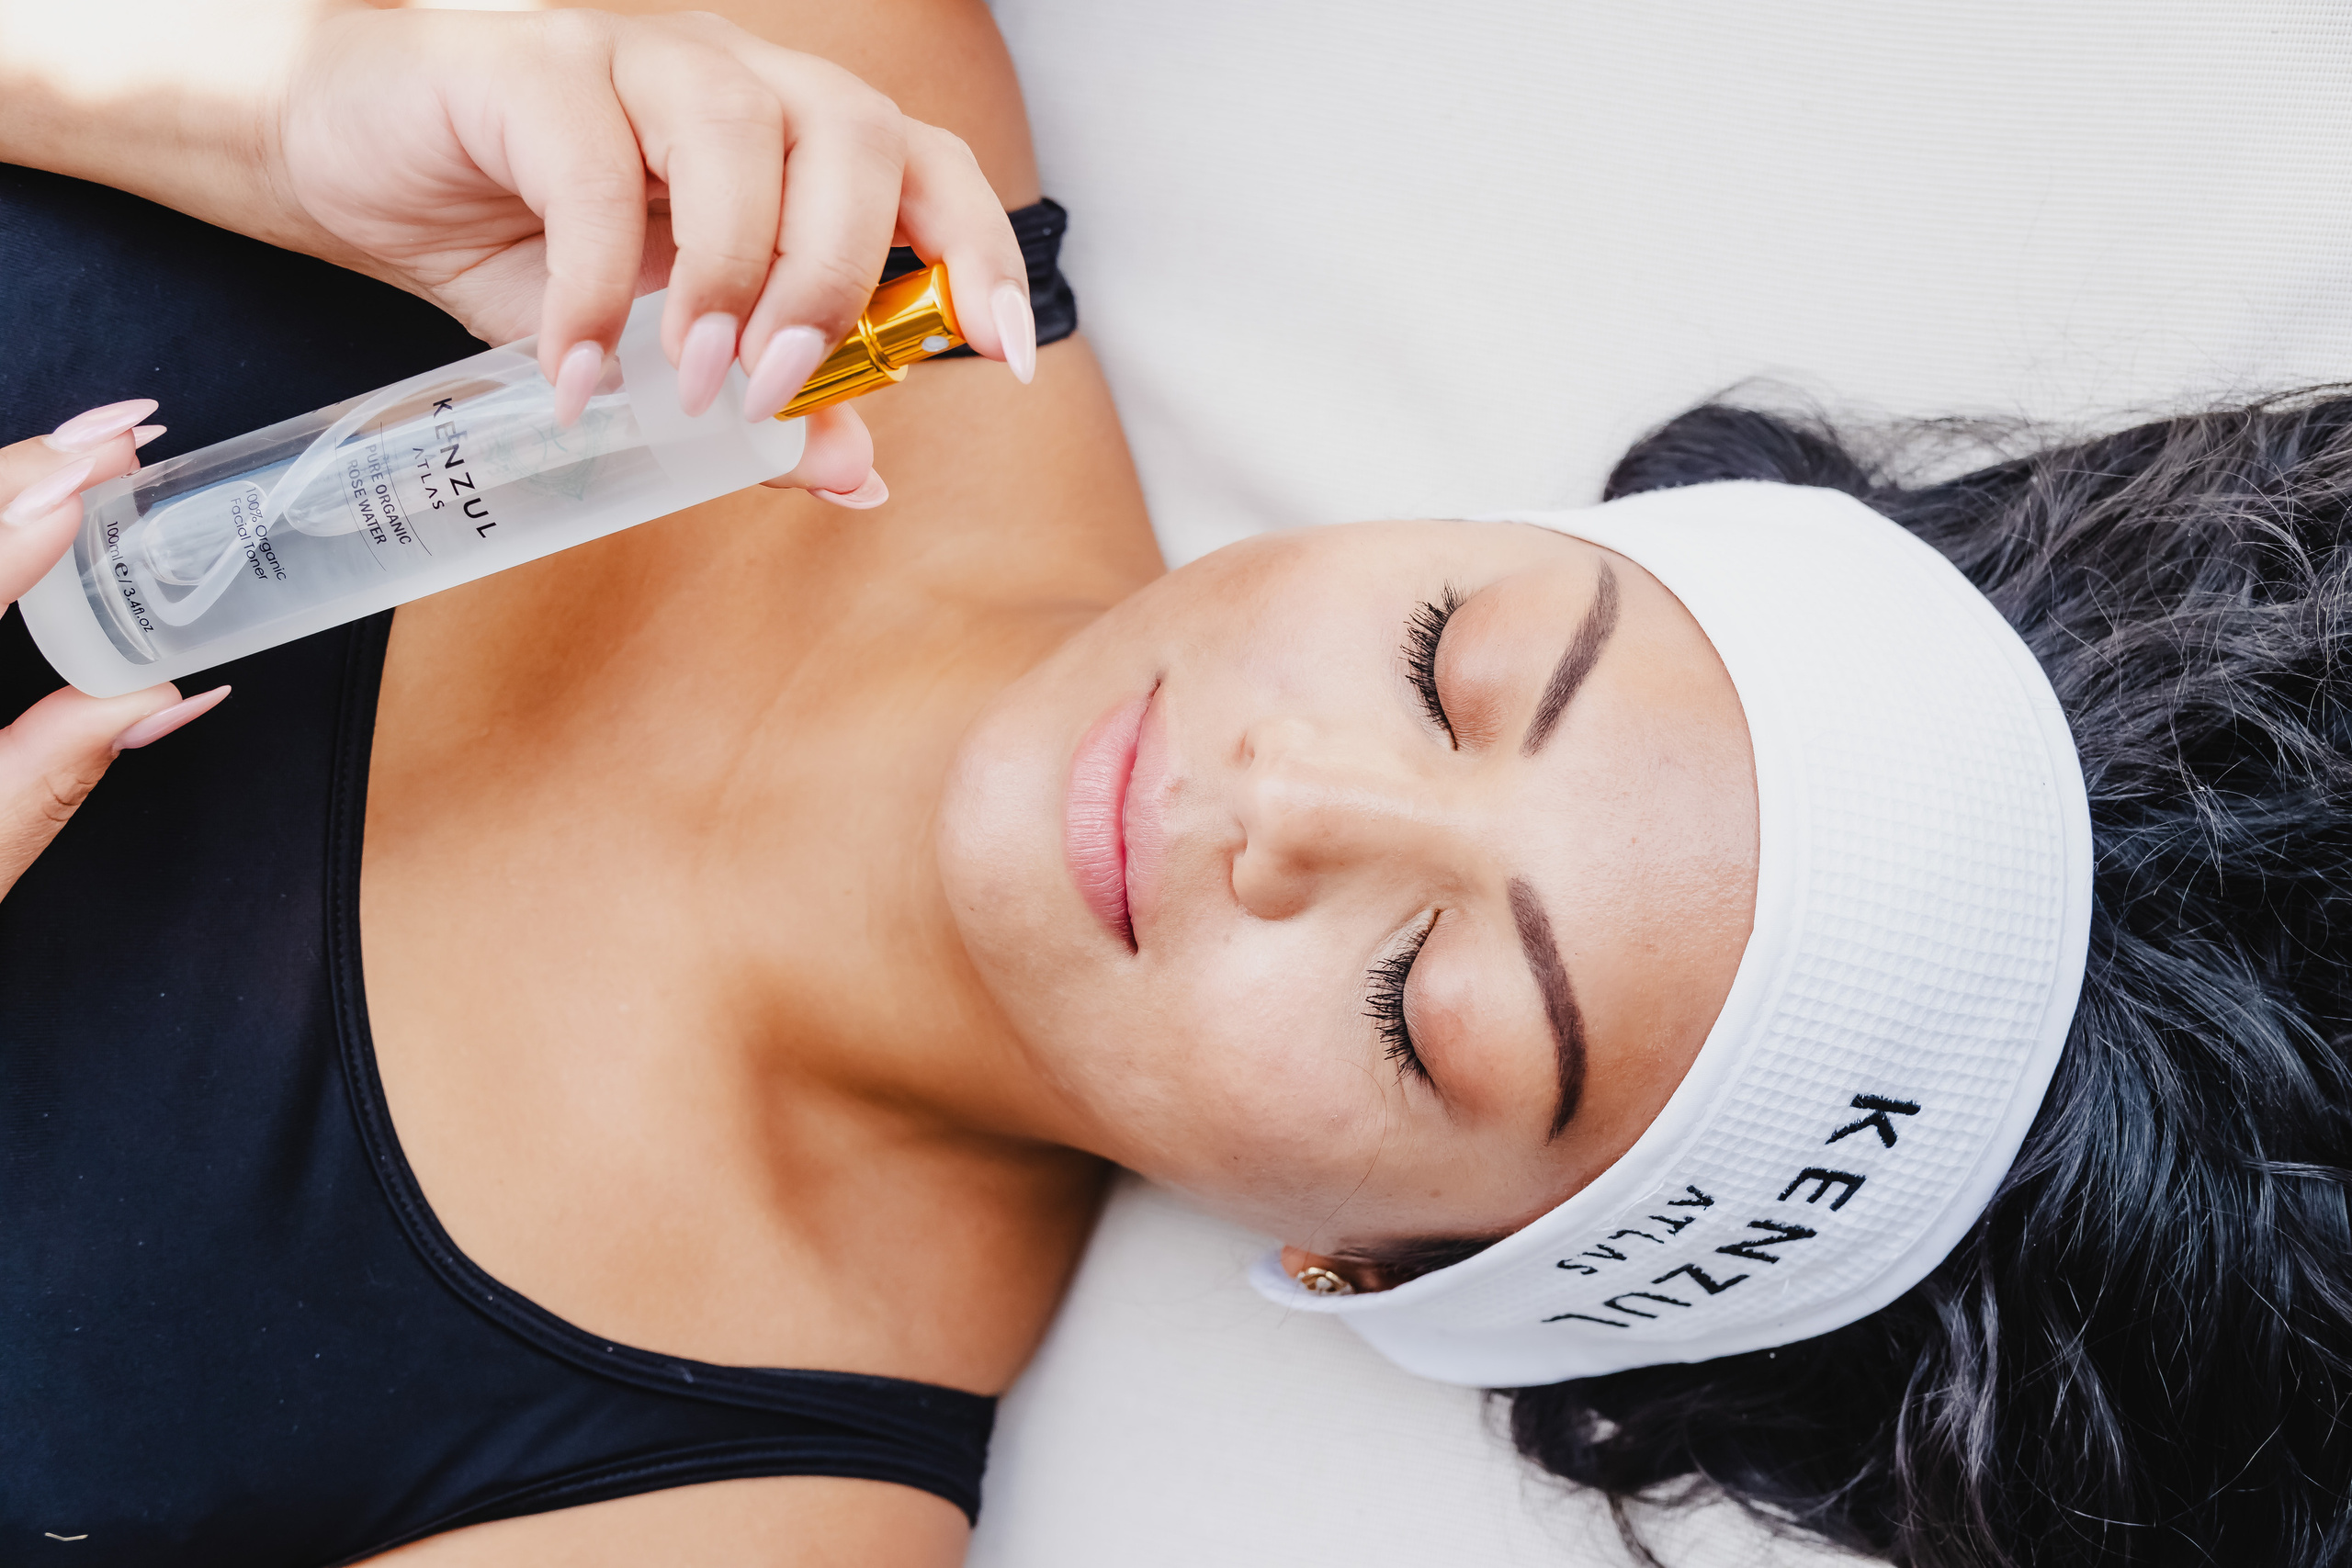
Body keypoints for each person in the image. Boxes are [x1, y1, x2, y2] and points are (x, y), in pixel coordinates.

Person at [2, 12, 2345, 1568]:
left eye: (1425, 1003)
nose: (1295, 804)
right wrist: (217, 95)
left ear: (1383, 1272)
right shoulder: (794, 119)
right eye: (1455, 658)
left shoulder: (703, 1520)